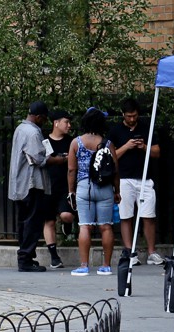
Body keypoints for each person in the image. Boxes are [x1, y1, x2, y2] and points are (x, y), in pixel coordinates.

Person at [67, 108, 121, 276]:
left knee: (85, 226)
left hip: (84, 187)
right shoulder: (107, 143)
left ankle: (84, 265)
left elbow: (71, 169)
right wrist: (116, 191)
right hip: (104, 188)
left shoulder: (76, 143)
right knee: (106, 227)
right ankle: (106, 266)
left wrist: (71, 191)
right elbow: (115, 170)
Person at [110, 98, 162, 265]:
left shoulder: (146, 128)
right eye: (129, 116)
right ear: (122, 114)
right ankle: (130, 252)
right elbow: (111, 157)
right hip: (124, 179)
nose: (132, 119)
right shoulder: (116, 131)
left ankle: (151, 252)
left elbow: (157, 153)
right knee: (126, 216)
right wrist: (127, 146)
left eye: (134, 116)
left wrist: (144, 147)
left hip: (145, 178)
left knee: (149, 215)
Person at [9, 101, 60, 273]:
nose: (45, 122)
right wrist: (60, 159)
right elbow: (40, 158)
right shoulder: (32, 133)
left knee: (24, 222)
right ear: (38, 117)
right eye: (44, 118)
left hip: (19, 184)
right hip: (32, 184)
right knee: (32, 222)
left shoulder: (20, 129)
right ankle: (25, 259)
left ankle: (26, 257)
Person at [42, 109, 76, 269]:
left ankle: (67, 225)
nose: (69, 125)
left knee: (67, 215)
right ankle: (54, 256)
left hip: (65, 186)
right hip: (47, 185)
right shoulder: (44, 141)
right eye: (66, 122)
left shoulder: (72, 141)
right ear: (56, 123)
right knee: (48, 221)